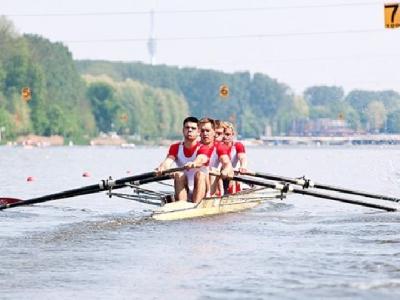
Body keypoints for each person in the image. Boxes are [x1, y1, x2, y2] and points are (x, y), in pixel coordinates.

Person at [184, 118, 233, 202]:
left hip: (210, 184)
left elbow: (227, 163)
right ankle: (185, 200)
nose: (205, 134)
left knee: (211, 171)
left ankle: (205, 198)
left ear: (213, 132)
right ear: (199, 132)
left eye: (207, 131)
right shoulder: (192, 145)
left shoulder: (219, 147)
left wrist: (226, 170)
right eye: (202, 131)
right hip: (191, 184)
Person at [156, 116, 200, 201]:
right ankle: (182, 205)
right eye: (187, 127)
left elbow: (201, 159)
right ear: (183, 130)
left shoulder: (203, 147)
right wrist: (163, 168)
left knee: (200, 175)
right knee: (179, 174)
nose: (190, 130)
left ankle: (196, 204)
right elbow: (168, 161)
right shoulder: (175, 147)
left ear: (198, 132)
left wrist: (194, 163)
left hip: (201, 189)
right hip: (183, 186)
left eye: (193, 128)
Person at [222, 121, 247, 193]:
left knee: (233, 175)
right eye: (222, 134)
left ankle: (233, 194)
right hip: (220, 176)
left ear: (232, 135)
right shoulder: (216, 145)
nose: (225, 137)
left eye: (227, 134)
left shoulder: (238, 145)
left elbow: (242, 157)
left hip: (233, 176)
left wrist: (243, 166)